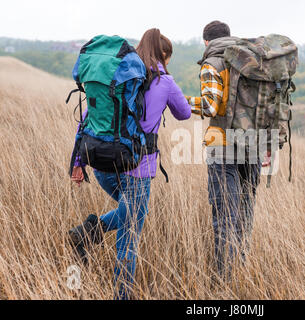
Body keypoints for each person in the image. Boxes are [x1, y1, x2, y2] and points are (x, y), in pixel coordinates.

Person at [69, 28, 191, 300]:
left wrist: (78, 162)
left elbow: (88, 118)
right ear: (164, 56)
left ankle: (89, 232)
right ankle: (121, 293)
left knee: (133, 213)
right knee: (130, 233)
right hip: (137, 168)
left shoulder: (121, 77)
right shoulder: (165, 81)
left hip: (103, 165)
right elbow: (183, 113)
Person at [186, 21, 269, 280]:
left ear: (206, 42)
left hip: (223, 147)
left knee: (224, 216)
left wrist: (182, 101)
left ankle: (222, 280)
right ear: (229, 37)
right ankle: (241, 270)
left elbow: (210, 106)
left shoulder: (213, 63)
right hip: (253, 146)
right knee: (245, 212)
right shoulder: (251, 60)